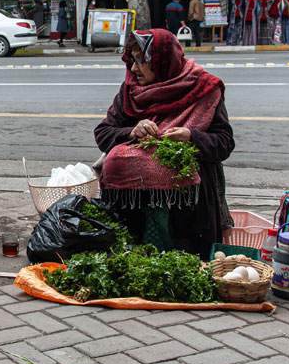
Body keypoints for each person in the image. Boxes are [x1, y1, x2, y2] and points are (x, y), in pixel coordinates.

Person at [94, 29, 235, 258]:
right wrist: (132, 131)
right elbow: (103, 133)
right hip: (136, 205)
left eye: (141, 62)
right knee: (139, 259)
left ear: (161, 62)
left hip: (189, 209)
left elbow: (225, 143)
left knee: (184, 261)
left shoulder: (202, 87)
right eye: (132, 61)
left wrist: (192, 137)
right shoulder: (131, 90)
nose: (133, 69)